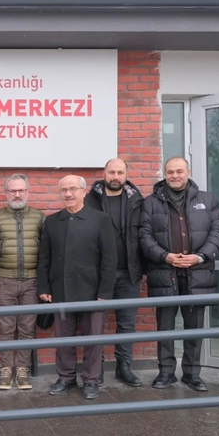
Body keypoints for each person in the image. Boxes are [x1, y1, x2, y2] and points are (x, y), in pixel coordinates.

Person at [139, 157, 219, 391]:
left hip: (197, 274)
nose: (175, 175)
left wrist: (201, 256)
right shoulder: (150, 203)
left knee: (194, 329)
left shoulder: (207, 200)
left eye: (179, 171)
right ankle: (166, 373)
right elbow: (144, 237)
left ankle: (192, 374)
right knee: (165, 329)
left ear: (188, 172)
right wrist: (164, 256)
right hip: (164, 274)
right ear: (164, 174)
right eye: (170, 172)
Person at [39, 175, 117, 400]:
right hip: (61, 291)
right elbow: (44, 258)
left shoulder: (101, 220)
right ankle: (66, 377)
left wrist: (104, 293)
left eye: (73, 188)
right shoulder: (52, 222)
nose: (68, 194)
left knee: (93, 339)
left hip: (92, 292)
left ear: (84, 191)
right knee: (63, 339)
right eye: (63, 190)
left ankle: (91, 380)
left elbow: (109, 260)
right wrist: (44, 286)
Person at [84, 158, 146, 387]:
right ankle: (96, 369)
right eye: (112, 172)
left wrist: (143, 268)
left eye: (120, 172)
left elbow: (143, 236)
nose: (116, 177)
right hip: (98, 275)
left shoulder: (137, 200)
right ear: (104, 173)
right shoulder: (89, 200)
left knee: (127, 324)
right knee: (95, 325)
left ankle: (124, 367)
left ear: (126, 174)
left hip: (129, 273)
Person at [0, 174, 45, 391]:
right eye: (13, 191)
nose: (17, 194)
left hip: (32, 281)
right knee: (5, 328)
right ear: (6, 193)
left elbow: (46, 253)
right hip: (5, 281)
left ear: (28, 192)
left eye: (21, 190)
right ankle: (6, 369)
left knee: (27, 328)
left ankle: (22, 369)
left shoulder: (40, 218)